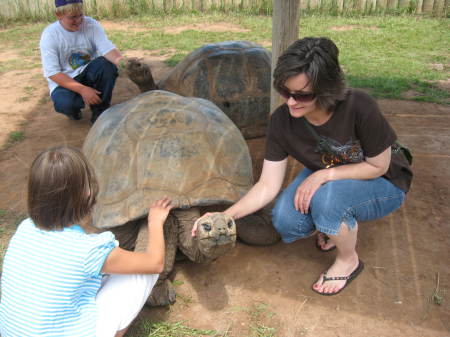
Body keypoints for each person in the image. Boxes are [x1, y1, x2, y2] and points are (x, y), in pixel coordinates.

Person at [192, 37, 412, 296]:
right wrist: (226, 216)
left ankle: (348, 259)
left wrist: (323, 175)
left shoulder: (359, 106)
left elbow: (378, 165)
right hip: (331, 171)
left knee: (330, 201)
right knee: (286, 221)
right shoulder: (282, 121)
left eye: (303, 95)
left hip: (384, 180)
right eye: (285, 92)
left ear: (328, 89)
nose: (291, 102)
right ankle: (335, 223)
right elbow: (267, 185)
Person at [0, 146, 172, 336]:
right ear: (87, 193)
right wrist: (155, 221)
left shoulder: (24, 228)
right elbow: (155, 263)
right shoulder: (90, 249)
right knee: (141, 273)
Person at [40, 0, 128, 123]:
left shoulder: (91, 25)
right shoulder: (50, 35)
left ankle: (100, 111)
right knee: (66, 104)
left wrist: (124, 63)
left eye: (81, 15)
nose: (79, 20)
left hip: (89, 71)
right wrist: (82, 90)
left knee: (107, 65)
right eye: (73, 17)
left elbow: (107, 49)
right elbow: (53, 73)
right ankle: (74, 111)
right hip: (66, 79)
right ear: (59, 15)